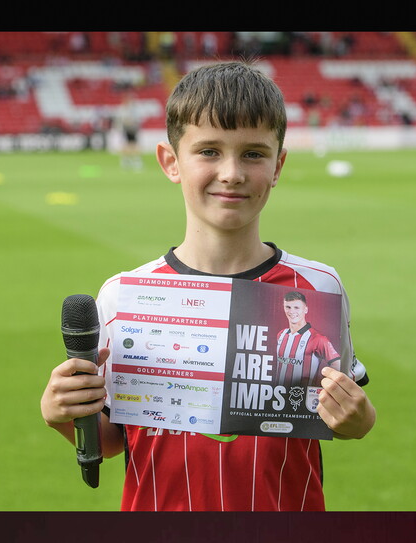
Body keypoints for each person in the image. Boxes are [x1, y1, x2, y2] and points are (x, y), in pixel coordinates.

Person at [40, 60, 375, 511]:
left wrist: (359, 419)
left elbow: (345, 413)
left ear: (278, 165)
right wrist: (62, 414)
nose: (232, 172)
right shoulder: (122, 296)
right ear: (170, 162)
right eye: (209, 151)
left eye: (253, 154)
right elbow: (115, 439)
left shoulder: (317, 286)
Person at [275, 291, 341, 388]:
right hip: (277, 393)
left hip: (302, 394)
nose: (291, 311)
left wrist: (321, 388)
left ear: (305, 309)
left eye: (296, 307)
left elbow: (337, 364)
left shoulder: (318, 338)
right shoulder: (281, 334)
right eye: (288, 307)